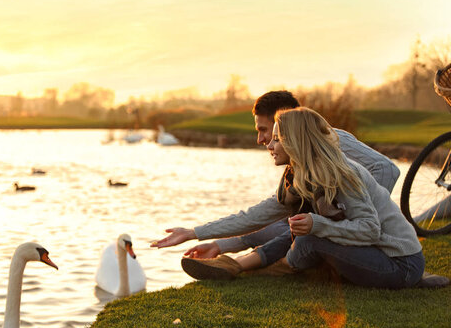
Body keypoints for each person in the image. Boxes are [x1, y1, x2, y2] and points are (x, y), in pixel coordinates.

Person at [154, 107, 430, 289]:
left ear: (296, 140)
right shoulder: (300, 175)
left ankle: (268, 270)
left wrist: (319, 226)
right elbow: (254, 217)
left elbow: (371, 230)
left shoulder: (342, 174)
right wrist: (193, 232)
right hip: (375, 254)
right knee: (297, 228)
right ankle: (235, 265)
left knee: (309, 235)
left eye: (277, 138)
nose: (269, 145)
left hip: (399, 263)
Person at [164, 91, 400, 263]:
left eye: (264, 130)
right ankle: (231, 258)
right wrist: (198, 234)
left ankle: (241, 264)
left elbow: (387, 170)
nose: (261, 140)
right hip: (329, 227)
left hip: (366, 235)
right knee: (287, 222)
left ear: (285, 122)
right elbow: (263, 214)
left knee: (293, 228)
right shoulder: (298, 166)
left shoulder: (332, 143)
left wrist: (356, 216)